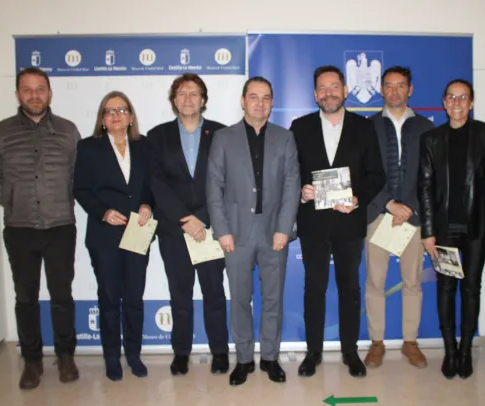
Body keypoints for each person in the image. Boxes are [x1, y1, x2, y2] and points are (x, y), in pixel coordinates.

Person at [0, 67, 80, 389]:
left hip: (60, 227)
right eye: (28, 89)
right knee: (26, 297)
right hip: (20, 228)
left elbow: (79, 175)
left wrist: (62, 200)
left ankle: (65, 355)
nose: (34, 95)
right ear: (18, 94)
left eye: (40, 89)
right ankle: (32, 360)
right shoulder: (1, 133)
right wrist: (12, 201)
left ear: (50, 93)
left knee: (62, 295)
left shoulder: (68, 131)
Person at [291, 65, 385, 378]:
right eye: (322, 88)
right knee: (313, 289)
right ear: (315, 94)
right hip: (313, 224)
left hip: (349, 223)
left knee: (349, 289)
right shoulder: (300, 127)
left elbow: (376, 175)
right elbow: (289, 173)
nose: (328, 93)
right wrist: (302, 191)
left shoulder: (364, 127)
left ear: (345, 91)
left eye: (334, 87)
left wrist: (357, 198)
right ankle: (313, 352)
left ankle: (350, 351)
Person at [206, 76, 300, 386]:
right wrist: (222, 230)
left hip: (274, 232)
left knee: (273, 298)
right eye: (254, 97)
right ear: (243, 101)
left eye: (266, 97)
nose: (260, 103)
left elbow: (292, 186)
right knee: (240, 299)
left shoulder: (285, 138)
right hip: (236, 232)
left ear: (272, 103)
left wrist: (284, 229)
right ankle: (244, 359)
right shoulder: (223, 138)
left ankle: (270, 358)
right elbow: (214, 187)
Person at [147, 74, 230, 376]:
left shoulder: (221, 134)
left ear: (203, 99)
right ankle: (181, 352)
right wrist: (185, 219)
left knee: (214, 293)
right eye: (182, 93)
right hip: (174, 229)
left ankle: (219, 351)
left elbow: (227, 181)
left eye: (194, 93)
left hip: (210, 227)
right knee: (179, 295)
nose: (188, 99)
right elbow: (156, 183)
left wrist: (203, 218)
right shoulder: (157, 136)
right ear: (174, 100)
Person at [418, 79, 485, 380]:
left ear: (471, 102)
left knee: (472, 288)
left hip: (478, 229)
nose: (457, 102)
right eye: (451, 97)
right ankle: (450, 351)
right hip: (444, 230)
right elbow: (425, 187)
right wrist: (428, 230)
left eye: (463, 97)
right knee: (446, 287)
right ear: (444, 102)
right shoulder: (432, 139)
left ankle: (466, 351)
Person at [73, 91, 153, 381]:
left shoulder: (144, 146)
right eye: (109, 111)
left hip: (137, 231)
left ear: (130, 116)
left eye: (121, 110)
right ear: (102, 119)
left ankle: (133, 354)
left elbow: (151, 184)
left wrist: (147, 204)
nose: (116, 115)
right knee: (109, 298)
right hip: (104, 235)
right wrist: (103, 212)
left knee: (134, 297)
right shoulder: (88, 147)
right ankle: (111, 357)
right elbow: (80, 189)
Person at [364, 66, 434, 369]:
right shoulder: (367, 126)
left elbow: (431, 175)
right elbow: (362, 173)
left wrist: (411, 209)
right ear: (381, 90)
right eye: (389, 86)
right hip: (378, 214)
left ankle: (410, 342)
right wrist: (388, 204)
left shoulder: (425, 127)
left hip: (414, 217)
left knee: (413, 283)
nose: (394, 91)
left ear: (410, 89)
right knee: (375, 282)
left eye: (400, 85)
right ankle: (376, 342)